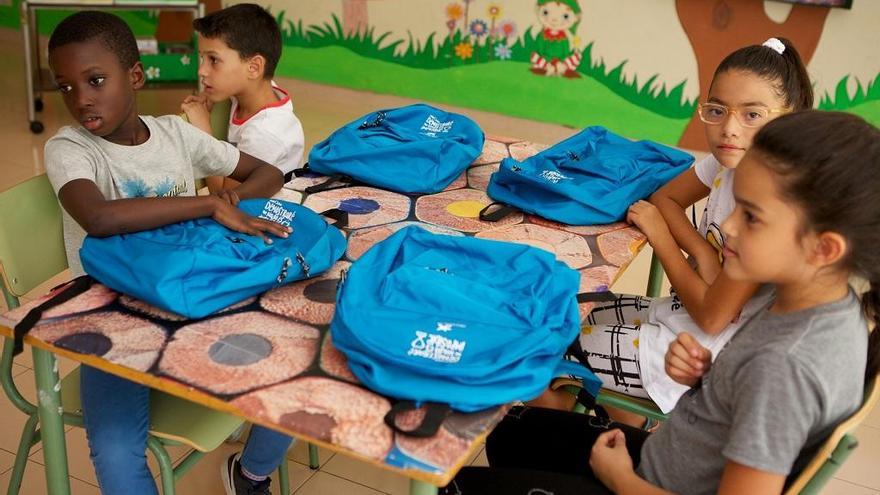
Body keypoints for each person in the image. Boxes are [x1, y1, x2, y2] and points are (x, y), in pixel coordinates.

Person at [444, 109, 880, 495]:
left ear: (824, 249)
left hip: (645, 482)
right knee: (512, 435)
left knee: (455, 483)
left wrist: (621, 479)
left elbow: (773, 389)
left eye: (750, 215)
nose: (727, 225)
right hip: (673, 460)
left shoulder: (784, 368)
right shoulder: (829, 308)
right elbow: (762, 406)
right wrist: (710, 384)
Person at [44, 11, 288, 495]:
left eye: (95, 80)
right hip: (112, 319)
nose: (82, 98)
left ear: (135, 75)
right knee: (114, 453)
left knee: (297, 371)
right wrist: (207, 205)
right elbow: (99, 218)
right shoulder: (69, 149)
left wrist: (228, 204)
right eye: (66, 87)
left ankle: (251, 474)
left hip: (193, 297)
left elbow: (267, 174)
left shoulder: (176, 135)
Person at [533, 38, 814, 421]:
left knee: (543, 349)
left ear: (788, 118)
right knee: (568, 313)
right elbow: (666, 199)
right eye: (717, 110)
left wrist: (664, 240)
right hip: (682, 319)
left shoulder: (772, 205)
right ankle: (620, 431)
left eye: (752, 115)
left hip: (704, 357)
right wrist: (701, 254)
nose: (729, 129)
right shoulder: (728, 163)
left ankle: (558, 462)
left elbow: (712, 316)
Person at [181, 3, 304, 194]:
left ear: (254, 68)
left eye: (213, 60)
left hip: (259, 214)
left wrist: (203, 133)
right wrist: (213, 94)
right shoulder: (256, 91)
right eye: (202, 58)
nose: (202, 71)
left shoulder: (264, 134)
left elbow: (223, 197)